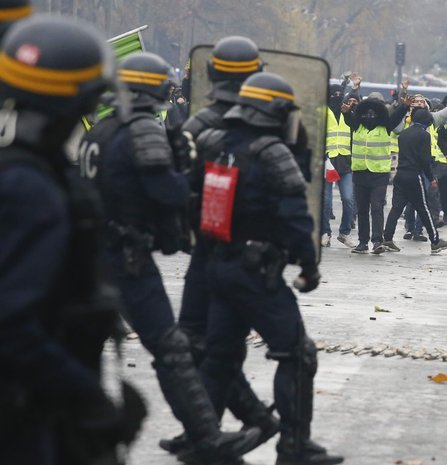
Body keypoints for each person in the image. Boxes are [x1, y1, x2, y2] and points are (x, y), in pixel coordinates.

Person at [81, 51, 262, 464]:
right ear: (156, 87)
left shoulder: (102, 129)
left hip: (97, 254)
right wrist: (187, 170)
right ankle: (208, 437)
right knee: (172, 348)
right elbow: (168, 192)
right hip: (126, 257)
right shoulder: (143, 128)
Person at [0, 13, 148, 465]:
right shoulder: (36, 190)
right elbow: (12, 325)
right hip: (25, 409)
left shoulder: (23, 173)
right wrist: (88, 399)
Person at [195, 72, 343, 465]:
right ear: (274, 112)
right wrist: (308, 265)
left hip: (217, 266)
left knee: (219, 359)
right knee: (297, 354)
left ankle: (202, 443)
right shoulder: (271, 152)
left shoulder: (211, 142)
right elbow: (295, 216)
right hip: (256, 273)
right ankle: (294, 447)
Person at [161, 35, 281, 456]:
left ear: (211, 74)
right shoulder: (270, 125)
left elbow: (177, 187)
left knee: (203, 345)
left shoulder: (197, 125)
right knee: (217, 347)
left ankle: (211, 428)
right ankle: (212, 426)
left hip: (209, 248)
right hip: (247, 250)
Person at [344, 92, 408, 254]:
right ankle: (363, 242)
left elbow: (396, 117)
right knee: (362, 209)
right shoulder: (357, 125)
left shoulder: (385, 126)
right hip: (360, 172)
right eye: (367, 113)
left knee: (377, 207)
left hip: (379, 173)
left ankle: (377, 241)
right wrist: (345, 111)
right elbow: (348, 118)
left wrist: (404, 106)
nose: (370, 116)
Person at [381, 107, 447, 253]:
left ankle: (387, 238)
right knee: (423, 208)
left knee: (396, 208)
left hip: (400, 175)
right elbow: (425, 160)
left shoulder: (403, 134)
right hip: (414, 176)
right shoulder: (424, 136)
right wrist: (431, 177)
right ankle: (435, 240)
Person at [323, 81, 356, 247]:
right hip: (328, 162)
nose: (337, 97)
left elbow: (355, 127)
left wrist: (349, 113)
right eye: (334, 94)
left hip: (345, 162)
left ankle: (344, 233)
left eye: (339, 94)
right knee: (326, 201)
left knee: (348, 199)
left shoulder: (347, 112)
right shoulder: (323, 112)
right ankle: (325, 232)